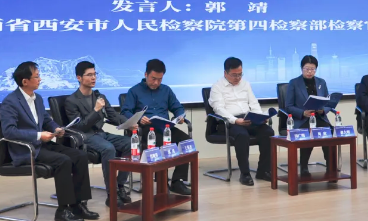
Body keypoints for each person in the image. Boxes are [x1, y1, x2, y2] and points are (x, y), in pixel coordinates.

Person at [0, 61, 99, 221]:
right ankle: (63, 210)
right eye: (37, 77)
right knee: (63, 161)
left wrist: (56, 129)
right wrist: (39, 135)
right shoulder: (10, 102)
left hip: (43, 145)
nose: (40, 79)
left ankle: (79, 205)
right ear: (25, 81)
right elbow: (9, 131)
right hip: (27, 149)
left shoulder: (37, 98)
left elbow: (46, 120)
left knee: (80, 156)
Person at [64, 61, 133, 207]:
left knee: (130, 143)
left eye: (95, 74)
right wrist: (95, 110)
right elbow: (80, 127)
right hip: (85, 136)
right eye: (89, 75)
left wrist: (130, 122)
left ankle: (120, 185)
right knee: (108, 149)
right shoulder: (71, 101)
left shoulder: (99, 96)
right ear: (79, 78)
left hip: (101, 134)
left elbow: (114, 116)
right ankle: (111, 194)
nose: (93, 77)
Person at [120, 59, 191, 195]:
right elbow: (125, 112)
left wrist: (180, 116)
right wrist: (138, 118)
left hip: (165, 128)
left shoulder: (166, 90)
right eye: (153, 79)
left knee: (186, 141)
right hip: (145, 130)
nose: (156, 83)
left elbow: (177, 107)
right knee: (160, 143)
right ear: (146, 74)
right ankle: (162, 183)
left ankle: (177, 181)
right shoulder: (134, 91)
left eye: (160, 79)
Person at [208, 57, 275, 186]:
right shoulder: (217, 87)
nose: (238, 78)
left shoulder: (245, 84)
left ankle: (264, 171)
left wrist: (260, 116)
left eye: (240, 74)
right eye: (234, 75)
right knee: (242, 135)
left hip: (248, 118)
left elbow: (253, 103)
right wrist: (235, 120)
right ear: (225, 73)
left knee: (268, 132)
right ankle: (245, 174)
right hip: (228, 122)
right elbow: (219, 109)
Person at [285, 55, 334, 177]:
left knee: (329, 132)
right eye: (307, 69)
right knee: (308, 132)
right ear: (301, 68)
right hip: (302, 119)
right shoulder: (294, 83)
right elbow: (288, 106)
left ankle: (331, 166)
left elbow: (327, 103)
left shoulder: (321, 82)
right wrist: (303, 113)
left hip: (319, 117)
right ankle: (304, 167)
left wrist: (323, 110)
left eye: (312, 69)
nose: (309, 72)